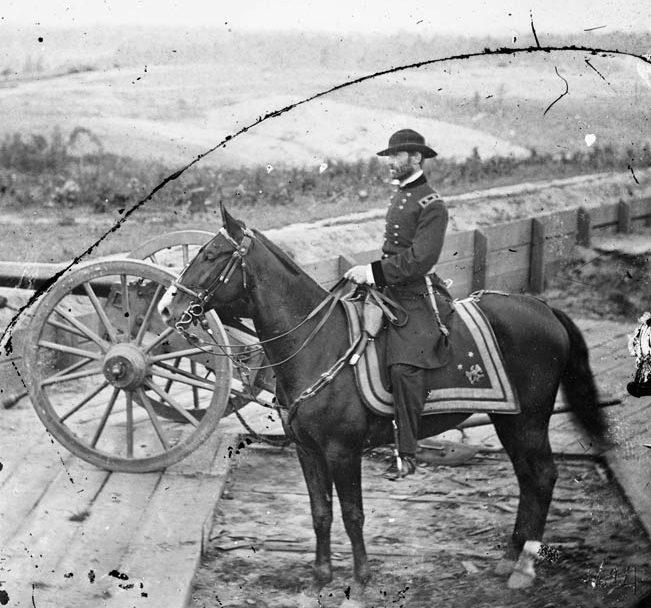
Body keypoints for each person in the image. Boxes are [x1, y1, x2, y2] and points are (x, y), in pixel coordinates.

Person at [344, 128, 452, 480]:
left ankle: (407, 453)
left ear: (416, 158)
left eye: (396, 156)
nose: (390, 163)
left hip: (415, 294)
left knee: (404, 370)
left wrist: (373, 272)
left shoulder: (431, 204)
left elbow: (420, 259)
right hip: (390, 289)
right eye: (389, 157)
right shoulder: (402, 195)